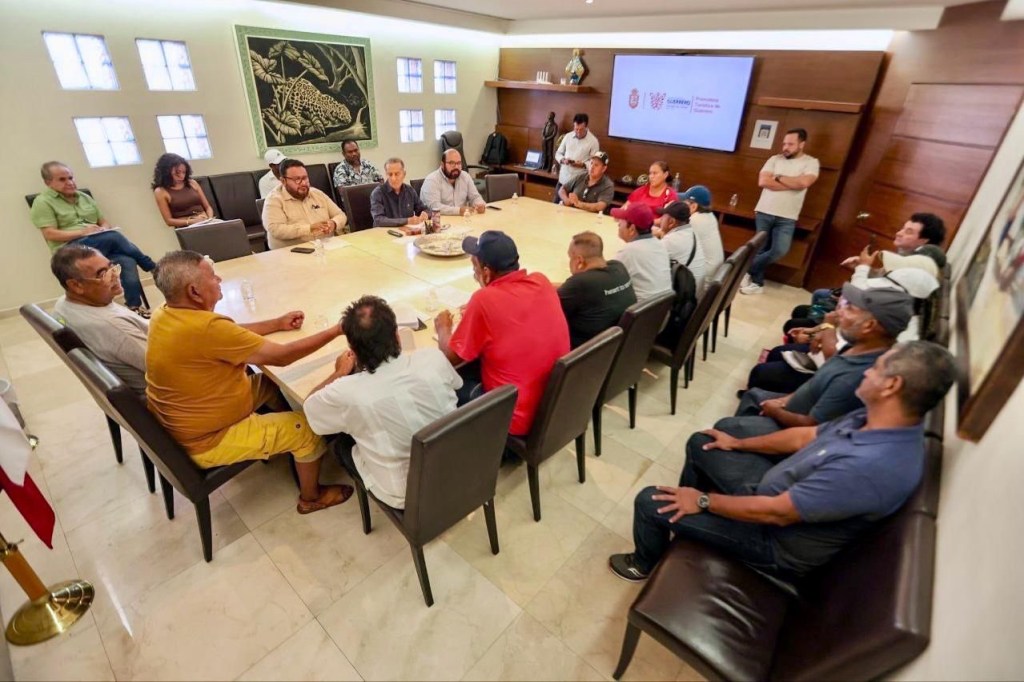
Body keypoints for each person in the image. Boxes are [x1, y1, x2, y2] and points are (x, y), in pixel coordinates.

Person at [608, 340, 956, 583]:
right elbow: (804, 437)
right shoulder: (873, 417)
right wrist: (737, 443)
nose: (865, 373)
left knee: (650, 502)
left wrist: (703, 502)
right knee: (705, 442)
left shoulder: (872, 467)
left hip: (773, 540)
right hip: (769, 490)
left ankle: (644, 563)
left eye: (875, 369)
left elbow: (776, 513)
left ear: (892, 385)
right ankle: (684, 514)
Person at [145, 250, 351, 514]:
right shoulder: (206, 328)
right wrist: (337, 330)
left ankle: (283, 437)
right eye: (212, 276)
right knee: (307, 430)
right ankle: (311, 497)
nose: (219, 279)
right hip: (210, 438)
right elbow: (282, 357)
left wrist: (277, 323)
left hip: (189, 417)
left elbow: (231, 333)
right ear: (194, 292)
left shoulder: (165, 313)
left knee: (273, 384)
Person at [304, 296, 462, 509]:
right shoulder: (432, 358)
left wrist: (339, 372)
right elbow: (456, 384)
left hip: (407, 495)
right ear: (397, 335)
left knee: (342, 443)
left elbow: (310, 410)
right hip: (458, 468)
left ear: (352, 348)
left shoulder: (347, 393)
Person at [724, 284, 912, 440]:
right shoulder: (858, 347)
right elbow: (816, 383)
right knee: (753, 396)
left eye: (850, 309)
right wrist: (783, 400)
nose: (841, 312)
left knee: (723, 428)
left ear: (869, 325)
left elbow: (811, 426)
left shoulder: (857, 377)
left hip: (793, 430)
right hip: (792, 408)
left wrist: (776, 411)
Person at [434, 231, 569, 437]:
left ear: (486, 272)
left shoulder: (483, 300)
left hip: (512, 417)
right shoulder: (541, 281)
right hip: (554, 405)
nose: (474, 273)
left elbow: (449, 358)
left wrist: (443, 327)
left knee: (439, 386)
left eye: (474, 267)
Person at [30, 161, 157, 317]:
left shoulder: (84, 197)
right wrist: (82, 232)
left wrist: (103, 228)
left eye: (70, 177)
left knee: (126, 261)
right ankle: (151, 266)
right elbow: (50, 234)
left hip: (98, 243)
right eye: (62, 179)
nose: (69, 182)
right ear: (48, 182)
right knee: (114, 237)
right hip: (70, 249)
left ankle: (134, 307)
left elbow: (103, 221)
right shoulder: (42, 202)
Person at [50, 245, 148, 396]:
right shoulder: (114, 328)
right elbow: (169, 368)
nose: (115, 275)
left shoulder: (63, 305)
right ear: (76, 285)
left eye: (112, 267)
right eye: (103, 274)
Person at [741, 129, 820, 295]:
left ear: (802, 144)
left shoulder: (811, 162)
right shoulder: (774, 159)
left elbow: (804, 183)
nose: (785, 147)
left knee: (779, 250)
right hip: (764, 210)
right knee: (759, 248)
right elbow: (763, 181)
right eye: (784, 143)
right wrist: (792, 184)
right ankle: (757, 283)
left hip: (788, 216)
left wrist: (777, 177)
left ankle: (745, 270)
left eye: (790, 144)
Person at [558, 231, 636, 348]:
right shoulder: (618, 267)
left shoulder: (580, 283)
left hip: (580, 351)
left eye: (570, 258)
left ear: (579, 261)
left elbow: (550, 310)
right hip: (611, 346)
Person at [262, 159, 347, 250]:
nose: (303, 183)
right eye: (297, 179)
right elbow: (276, 229)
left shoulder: (317, 194)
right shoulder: (273, 199)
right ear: (283, 181)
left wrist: (334, 223)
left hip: (326, 247)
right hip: (292, 251)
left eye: (305, 178)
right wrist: (309, 228)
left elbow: (340, 215)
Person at [841, 213, 947, 278]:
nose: (898, 233)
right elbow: (880, 277)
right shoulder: (904, 255)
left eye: (908, 232)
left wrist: (862, 269)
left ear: (923, 241)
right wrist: (862, 267)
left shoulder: (914, 268)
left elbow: (879, 291)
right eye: (902, 228)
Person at [612, 203, 672, 302]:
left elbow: (606, 281)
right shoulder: (660, 244)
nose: (618, 224)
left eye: (621, 221)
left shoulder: (629, 251)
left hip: (637, 308)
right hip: (661, 307)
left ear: (632, 229)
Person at [654, 201, 708, 293]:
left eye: (663, 217)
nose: (660, 220)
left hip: (684, 297)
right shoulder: (691, 233)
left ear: (671, 222)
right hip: (695, 292)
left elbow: (647, 260)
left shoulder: (671, 241)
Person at [151, 153, 215, 228]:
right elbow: (169, 221)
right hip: (187, 227)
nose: (182, 176)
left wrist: (209, 219)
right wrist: (192, 221)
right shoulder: (160, 191)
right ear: (166, 173)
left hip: (206, 221)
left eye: (184, 172)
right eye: (177, 173)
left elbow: (208, 207)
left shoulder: (192, 183)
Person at [420, 149, 486, 216]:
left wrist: (480, 204)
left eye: (459, 163)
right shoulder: (432, 180)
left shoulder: (465, 176)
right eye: (452, 163)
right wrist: (459, 211)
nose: (456, 167)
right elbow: (434, 206)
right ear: (442, 164)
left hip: (462, 219)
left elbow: (475, 197)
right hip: (441, 220)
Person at [370, 157, 429, 229]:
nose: (393, 178)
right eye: (390, 174)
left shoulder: (409, 190)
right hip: (385, 232)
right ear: (386, 175)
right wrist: (406, 221)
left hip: (407, 231)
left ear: (404, 174)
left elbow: (423, 209)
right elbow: (378, 220)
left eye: (397, 174)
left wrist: (425, 214)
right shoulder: (378, 193)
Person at [553, 113, 600, 203]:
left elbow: (594, 163)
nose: (578, 132)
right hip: (563, 180)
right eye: (576, 129)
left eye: (581, 129)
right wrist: (563, 160)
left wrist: (583, 164)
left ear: (586, 127)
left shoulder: (593, 141)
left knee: (573, 208)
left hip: (579, 184)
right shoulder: (568, 136)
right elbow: (558, 153)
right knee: (555, 206)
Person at [678, 185, 724, 277]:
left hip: (704, 275)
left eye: (685, 203)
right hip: (715, 271)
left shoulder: (695, 220)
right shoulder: (711, 216)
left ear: (694, 206)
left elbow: (676, 242)